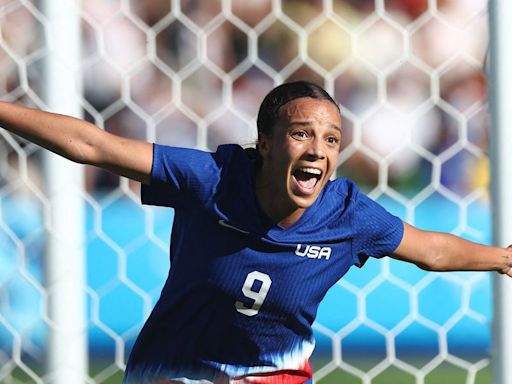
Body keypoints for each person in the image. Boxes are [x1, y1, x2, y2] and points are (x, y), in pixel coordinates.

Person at [0, 81, 510, 384]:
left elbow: (432, 249)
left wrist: (504, 258)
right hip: (173, 370)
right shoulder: (210, 179)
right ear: (265, 144)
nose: (318, 150)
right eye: (301, 133)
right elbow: (94, 146)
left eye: (331, 139)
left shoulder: (348, 214)